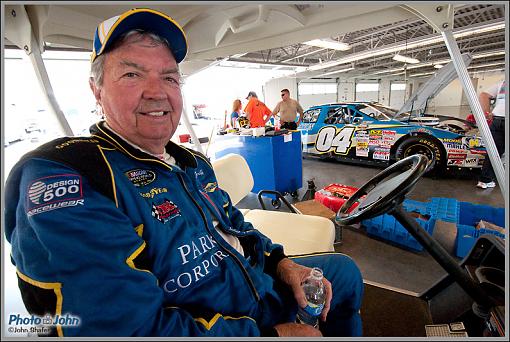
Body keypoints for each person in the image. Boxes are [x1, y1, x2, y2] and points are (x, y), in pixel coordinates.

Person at [4, 8, 363, 337]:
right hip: (225, 321)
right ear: (96, 90)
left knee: (345, 272)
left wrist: (282, 264)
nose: (157, 92)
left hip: (255, 284)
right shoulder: (71, 178)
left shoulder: (191, 162)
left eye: (170, 78)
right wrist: (271, 335)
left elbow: (237, 225)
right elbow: (126, 330)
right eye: (132, 74)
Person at [476, 80, 506, 189]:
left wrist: (487, 113)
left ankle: (485, 180)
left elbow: (484, 95)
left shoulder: (503, 83)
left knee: (494, 152)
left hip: (498, 119)